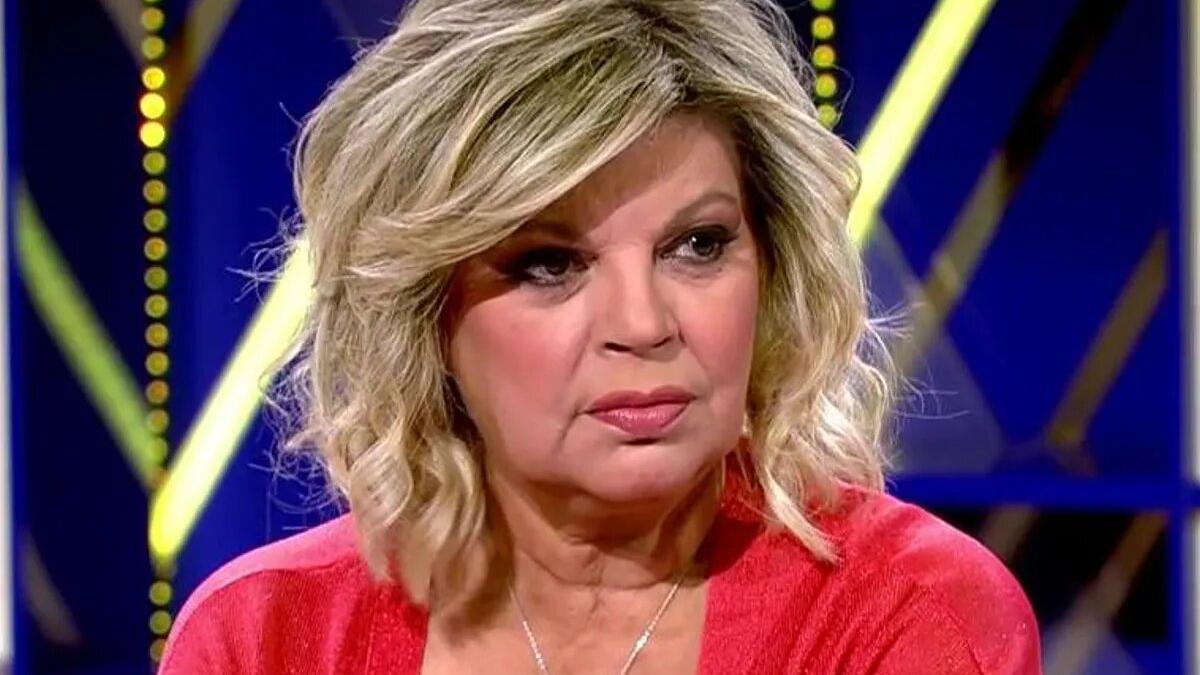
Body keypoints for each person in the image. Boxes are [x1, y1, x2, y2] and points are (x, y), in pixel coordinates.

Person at [159, 0, 1042, 672]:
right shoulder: (264, 637)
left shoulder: (907, 616)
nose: (644, 325)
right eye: (548, 263)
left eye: (698, 245)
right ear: (427, 311)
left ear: (772, 271)